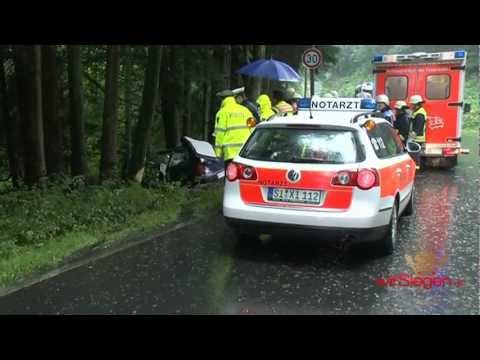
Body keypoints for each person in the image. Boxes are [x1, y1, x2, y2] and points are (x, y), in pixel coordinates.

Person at [214, 94, 253, 167]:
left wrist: (218, 153)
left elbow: (220, 133)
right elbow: (253, 128)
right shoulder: (245, 110)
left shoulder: (222, 112)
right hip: (246, 152)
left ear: (222, 100)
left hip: (230, 153)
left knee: (231, 177)